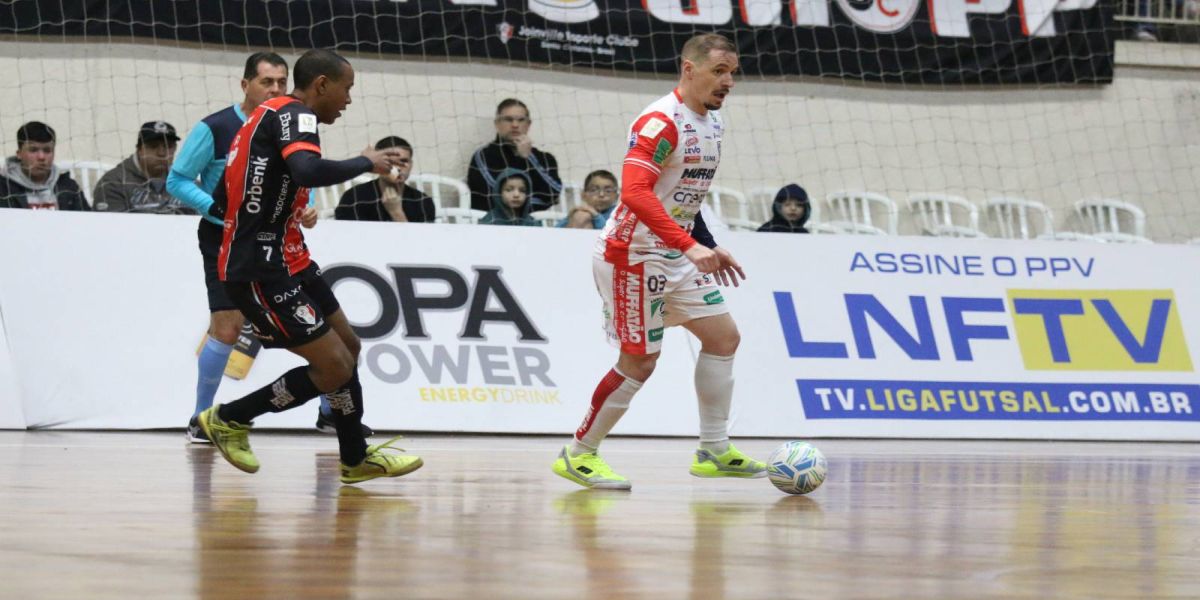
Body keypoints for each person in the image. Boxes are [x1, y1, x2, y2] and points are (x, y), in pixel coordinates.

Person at [197, 48, 421, 484]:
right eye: (347, 89)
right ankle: (230, 418)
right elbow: (306, 169)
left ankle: (356, 460)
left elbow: (235, 191)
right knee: (334, 364)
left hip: (286, 256)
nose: (348, 100)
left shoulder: (263, 116)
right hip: (262, 266)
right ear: (321, 84)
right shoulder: (297, 115)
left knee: (349, 347)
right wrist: (366, 164)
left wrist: (278, 214)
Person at [552, 33, 765, 490]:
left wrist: (705, 240)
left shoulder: (712, 121)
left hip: (673, 251)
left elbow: (686, 199)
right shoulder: (660, 123)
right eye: (719, 72)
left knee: (723, 337)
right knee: (640, 362)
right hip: (633, 256)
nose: (728, 82)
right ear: (689, 69)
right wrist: (690, 247)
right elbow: (634, 193)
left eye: (733, 73)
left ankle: (713, 448)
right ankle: (579, 453)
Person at [167, 52, 371, 442]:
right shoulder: (222, 126)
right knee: (228, 328)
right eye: (267, 82)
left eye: (281, 81)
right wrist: (219, 212)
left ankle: (341, 428)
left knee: (345, 348)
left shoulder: (286, 119)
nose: (276, 89)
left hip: (285, 245)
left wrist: (306, 208)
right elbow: (179, 180)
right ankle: (205, 416)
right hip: (234, 239)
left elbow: (294, 179)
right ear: (246, 85)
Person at [466, 98, 562, 212]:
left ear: (528, 124)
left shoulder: (546, 158)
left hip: (535, 225)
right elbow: (500, 200)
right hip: (494, 225)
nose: (515, 125)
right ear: (497, 124)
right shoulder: (483, 156)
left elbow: (554, 193)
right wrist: (539, 202)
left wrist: (527, 158)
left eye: (521, 120)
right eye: (508, 119)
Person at [93, 121, 192, 214]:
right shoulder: (113, 183)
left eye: (168, 146)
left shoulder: (187, 183)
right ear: (140, 150)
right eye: (153, 146)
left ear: (175, 149)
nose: (161, 153)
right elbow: (109, 227)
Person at [334, 136, 436, 223]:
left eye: (404, 161)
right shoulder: (354, 197)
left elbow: (420, 243)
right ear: (378, 164)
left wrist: (396, 213)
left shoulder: (423, 201)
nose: (398, 167)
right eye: (390, 161)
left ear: (411, 164)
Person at [0, 121, 89, 210]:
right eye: (33, 150)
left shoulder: (69, 187)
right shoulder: (3, 188)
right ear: (19, 154)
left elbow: (88, 220)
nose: (41, 157)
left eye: (47, 150)